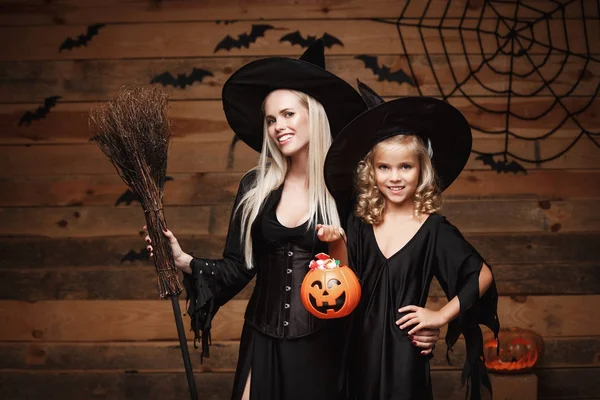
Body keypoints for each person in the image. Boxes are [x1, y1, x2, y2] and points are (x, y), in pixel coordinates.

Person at [144, 43, 441, 400]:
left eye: (287, 115)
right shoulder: (255, 187)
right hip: (263, 336)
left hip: (327, 347)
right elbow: (240, 267)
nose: (277, 127)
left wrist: (426, 324)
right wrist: (183, 260)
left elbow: (378, 271)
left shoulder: (348, 191)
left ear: (313, 115)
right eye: (270, 119)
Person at [321, 81, 500, 400]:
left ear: (422, 170)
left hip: (406, 349)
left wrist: (440, 316)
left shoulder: (434, 230)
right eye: (384, 167)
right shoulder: (360, 223)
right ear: (371, 172)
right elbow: (343, 279)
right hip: (357, 346)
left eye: (405, 166)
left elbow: (481, 274)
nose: (395, 177)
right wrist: (335, 242)